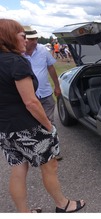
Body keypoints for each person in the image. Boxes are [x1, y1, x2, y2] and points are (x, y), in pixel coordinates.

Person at [0, 18, 85, 213]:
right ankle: (63, 204)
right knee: (50, 166)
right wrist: (48, 126)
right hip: (28, 127)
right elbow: (31, 102)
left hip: (5, 129)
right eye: (23, 36)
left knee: (18, 170)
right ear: (10, 37)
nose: (26, 40)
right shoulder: (17, 62)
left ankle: (24, 213)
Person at [23, 25, 63, 161]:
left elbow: (51, 68)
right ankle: (36, 151)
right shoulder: (16, 54)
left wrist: (57, 86)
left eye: (35, 38)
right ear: (23, 40)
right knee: (31, 124)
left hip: (45, 94)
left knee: (49, 122)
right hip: (27, 96)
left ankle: (54, 151)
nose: (34, 41)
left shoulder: (42, 50)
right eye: (31, 39)